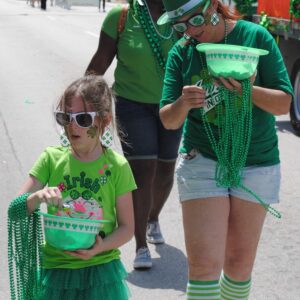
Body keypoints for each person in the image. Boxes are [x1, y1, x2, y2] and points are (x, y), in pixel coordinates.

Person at [158, 0, 293, 299]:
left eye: (195, 21)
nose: (190, 32)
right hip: (202, 160)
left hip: (256, 161)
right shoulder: (183, 51)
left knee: (238, 264)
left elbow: (283, 103)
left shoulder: (255, 38)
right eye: (180, 26)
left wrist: (248, 90)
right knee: (204, 266)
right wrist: (182, 103)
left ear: (214, 6)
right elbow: (168, 119)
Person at [8, 75, 136, 300]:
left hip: (101, 271)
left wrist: (99, 247)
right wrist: (38, 196)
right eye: (65, 117)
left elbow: (127, 227)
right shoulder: (51, 159)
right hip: (56, 272)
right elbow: (16, 209)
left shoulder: (117, 166)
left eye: (83, 118)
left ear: (104, 121)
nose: (72, 125)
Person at [86, 0, 182, 269]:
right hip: (132, 104)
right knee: (143, 170)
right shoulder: (122, 16)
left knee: (165, 169)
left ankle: (152, 218)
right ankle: (140, 243)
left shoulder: (181, 13)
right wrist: (84, 102)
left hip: (172, 105)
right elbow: (101, 60)